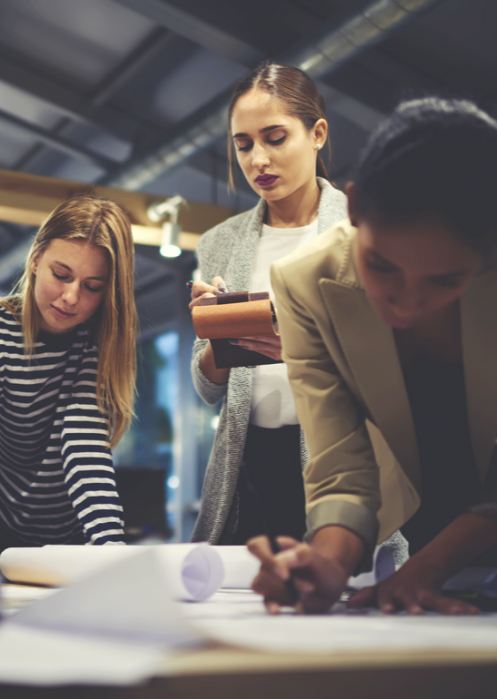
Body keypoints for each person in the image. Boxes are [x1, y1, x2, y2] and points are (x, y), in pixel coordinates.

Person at [251, 97, 497, 615]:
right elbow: (340, 461)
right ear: (353, 208)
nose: (405, 301)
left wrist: (427, 569)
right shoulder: (304, 283)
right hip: (434, 529)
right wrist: (329, 562)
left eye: (444, 280)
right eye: (382, 266)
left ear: (494, 250)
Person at [187, 63, 349, 546]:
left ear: (317, 133)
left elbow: (393, 369)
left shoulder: (361, 232)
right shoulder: (220, 243)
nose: (258, 159)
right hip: (247, 459)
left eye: (275, 138)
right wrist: (219, 333)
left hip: (339, 457)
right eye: (243, 145)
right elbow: (207, 386)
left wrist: (295, 348)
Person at [0, 194, 137, 569]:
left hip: (68, 538)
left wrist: (111, 548)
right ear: (35, 260)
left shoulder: (95, 343)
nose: (70, 297)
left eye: (92, 286)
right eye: (60, 275)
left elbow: (86, 452)